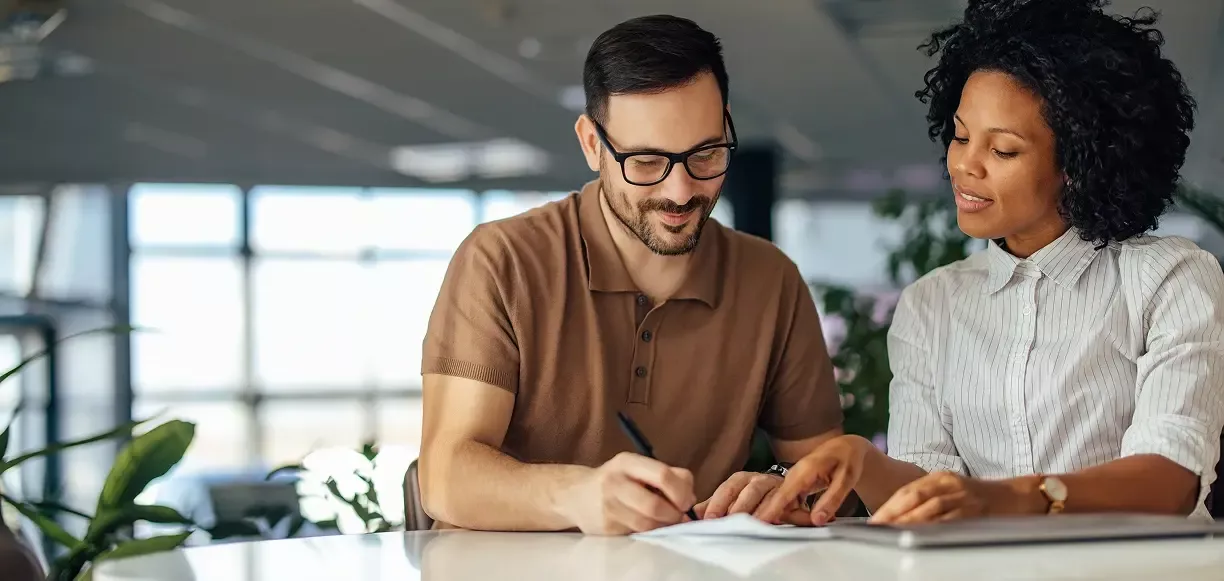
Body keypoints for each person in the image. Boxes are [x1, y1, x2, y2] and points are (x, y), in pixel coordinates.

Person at [759, 0, 1224, 526]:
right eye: (960, 136)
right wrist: (861, 461)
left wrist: (1003, 498)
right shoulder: (931, 305)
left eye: (1002, 151)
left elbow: (1170, 480)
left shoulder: (1169, 278)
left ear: (1079, 163)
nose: (963, 165)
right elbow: (926, 492)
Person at [418, 14, 846, 535]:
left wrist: (782, 483)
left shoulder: (771, 280)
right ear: (592, 144)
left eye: (706, 154)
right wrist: (576, 495)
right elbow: (445, 476)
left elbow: (824, 468)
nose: (682, 191)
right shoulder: (503, 260)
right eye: (646, 161)